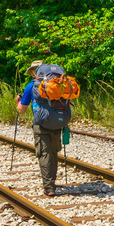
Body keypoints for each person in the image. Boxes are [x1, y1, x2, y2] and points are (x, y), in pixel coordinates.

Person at [16, 60, 73, 197]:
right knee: (53, 153)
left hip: (41, 125)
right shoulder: (59, 84)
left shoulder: (32, 86)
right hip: (58, 122)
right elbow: (69, 103)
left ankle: (49, 187)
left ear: (34, 71)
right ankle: (51, 182)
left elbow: (21, 110)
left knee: (44, 154)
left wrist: (18, 100)